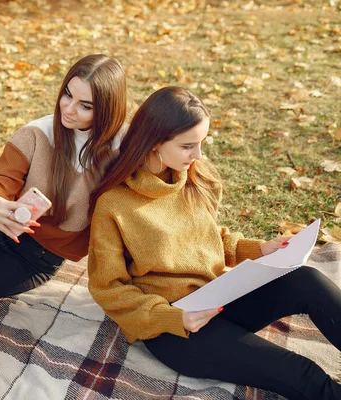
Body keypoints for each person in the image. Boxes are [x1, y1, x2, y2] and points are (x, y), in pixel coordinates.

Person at [87, 86, 341, 400]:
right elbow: (108, 288)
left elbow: (208, 238)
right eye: (188, 146)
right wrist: (173, 317)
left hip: (219, 296)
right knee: (299, 372)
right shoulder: (114, 205)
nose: (198, 155)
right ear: (153, 142)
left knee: (308, 281)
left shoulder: (191, 176)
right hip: (175, 328)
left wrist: (258, 249)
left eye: (202, 143)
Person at [0, 54, 128, 308]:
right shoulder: (38, 133)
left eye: (86, 106)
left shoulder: (124, 152)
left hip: (35, 258)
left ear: (107, 110)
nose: (68, 109)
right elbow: (0, 180)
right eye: (67, 95)